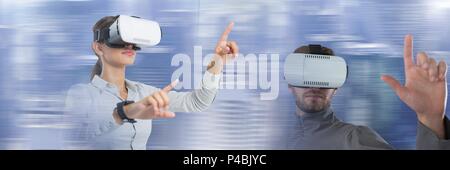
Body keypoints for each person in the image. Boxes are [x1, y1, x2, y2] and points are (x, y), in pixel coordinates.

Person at [64, 15, 239, 150]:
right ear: (98, 47)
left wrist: (218, 62)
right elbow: (80, 137)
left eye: (132, 40)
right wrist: (125, 112)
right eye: (119, 38)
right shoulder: (81, 94)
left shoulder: (144, 93)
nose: (129, 46)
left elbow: (197, 102)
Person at [286, 35, 450, 149]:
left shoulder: (355, 140)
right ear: (289, 83)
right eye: (305, 75)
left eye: (324, 77)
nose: (315, 86)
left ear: (335, 88)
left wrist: (431, 120)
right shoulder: (268, 134)